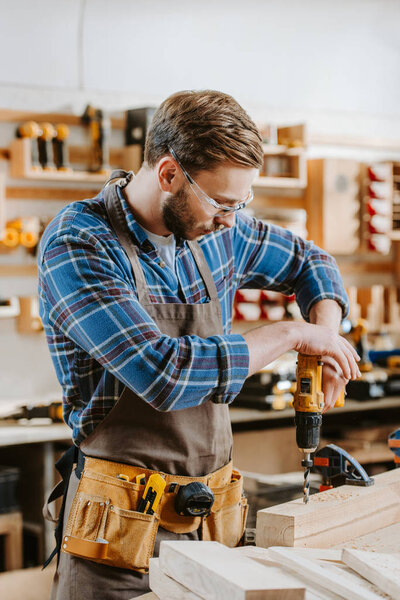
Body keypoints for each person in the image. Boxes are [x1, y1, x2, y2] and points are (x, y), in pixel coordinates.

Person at [38, 90, 360, 599]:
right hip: (116, 545)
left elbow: (312, 262)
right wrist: (291, 333)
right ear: (168, 174)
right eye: (222, 202)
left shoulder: (217, 233)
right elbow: (162, 375)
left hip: (215, 535)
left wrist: (325, 335)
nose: (231, 219)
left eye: (241, 204)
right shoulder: (79, 243)